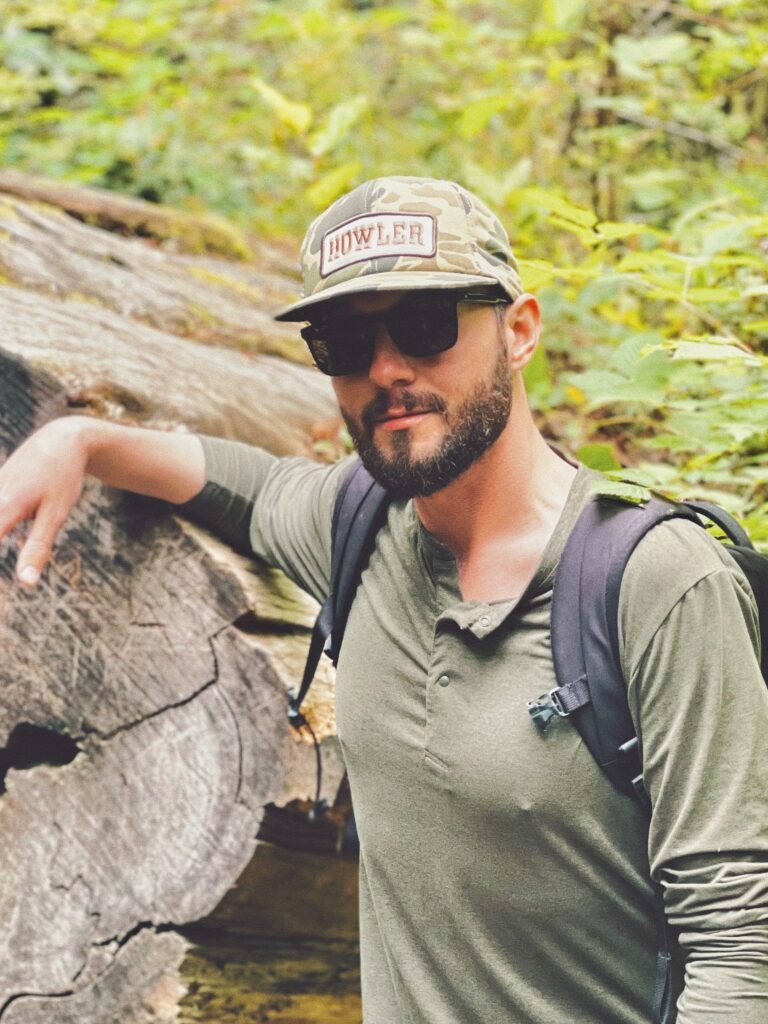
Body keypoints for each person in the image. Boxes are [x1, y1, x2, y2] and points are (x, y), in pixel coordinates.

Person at [1, 176, 766, 1023]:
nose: (388, 370)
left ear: (520, 331)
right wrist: (80, 438)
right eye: (344, 343)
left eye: (428, 325)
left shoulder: (656, 581)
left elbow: (739, 936)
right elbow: (242, 486)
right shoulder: (360, 526)